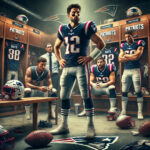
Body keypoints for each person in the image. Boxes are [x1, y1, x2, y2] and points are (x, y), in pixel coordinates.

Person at [50, 4, 105, 139]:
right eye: (74, 12)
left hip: (81, 67)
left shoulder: (86, 27)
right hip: (67, 66)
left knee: (86, 95)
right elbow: (56, 46)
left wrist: (90, 57)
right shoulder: (62, 28)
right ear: (68, 15)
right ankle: (64, 125)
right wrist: (59, 59)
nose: (76, 14)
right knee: (64, 96)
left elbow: (101, 43)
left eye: (78, 12)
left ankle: (90, 125)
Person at [118, 30, 145, 119]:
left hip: (136, 70)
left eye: (129, 36)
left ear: (133, 36)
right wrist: (131, 57)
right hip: (126, 70)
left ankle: (140, 112)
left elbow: (137, 56)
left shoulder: (139, 43)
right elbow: (120, 59)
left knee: (138, 91)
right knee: (124, 90)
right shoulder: (123, 45)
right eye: (126, 37)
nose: (127, 38)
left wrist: (126, 56)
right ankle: (124, 110)